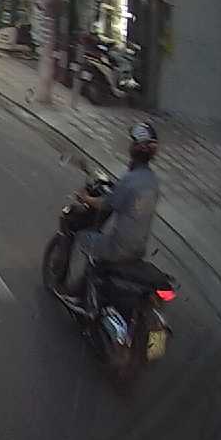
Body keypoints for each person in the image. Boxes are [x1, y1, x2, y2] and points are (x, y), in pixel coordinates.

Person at [66, 122, 161, 305]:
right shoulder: (153, 181)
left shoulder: (130, 179)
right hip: (138, 249)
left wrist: (85, 198)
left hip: (118, 247)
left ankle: (77, 293)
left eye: (132, 142)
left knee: (82, 239)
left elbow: (106, 204)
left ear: (135, 148)